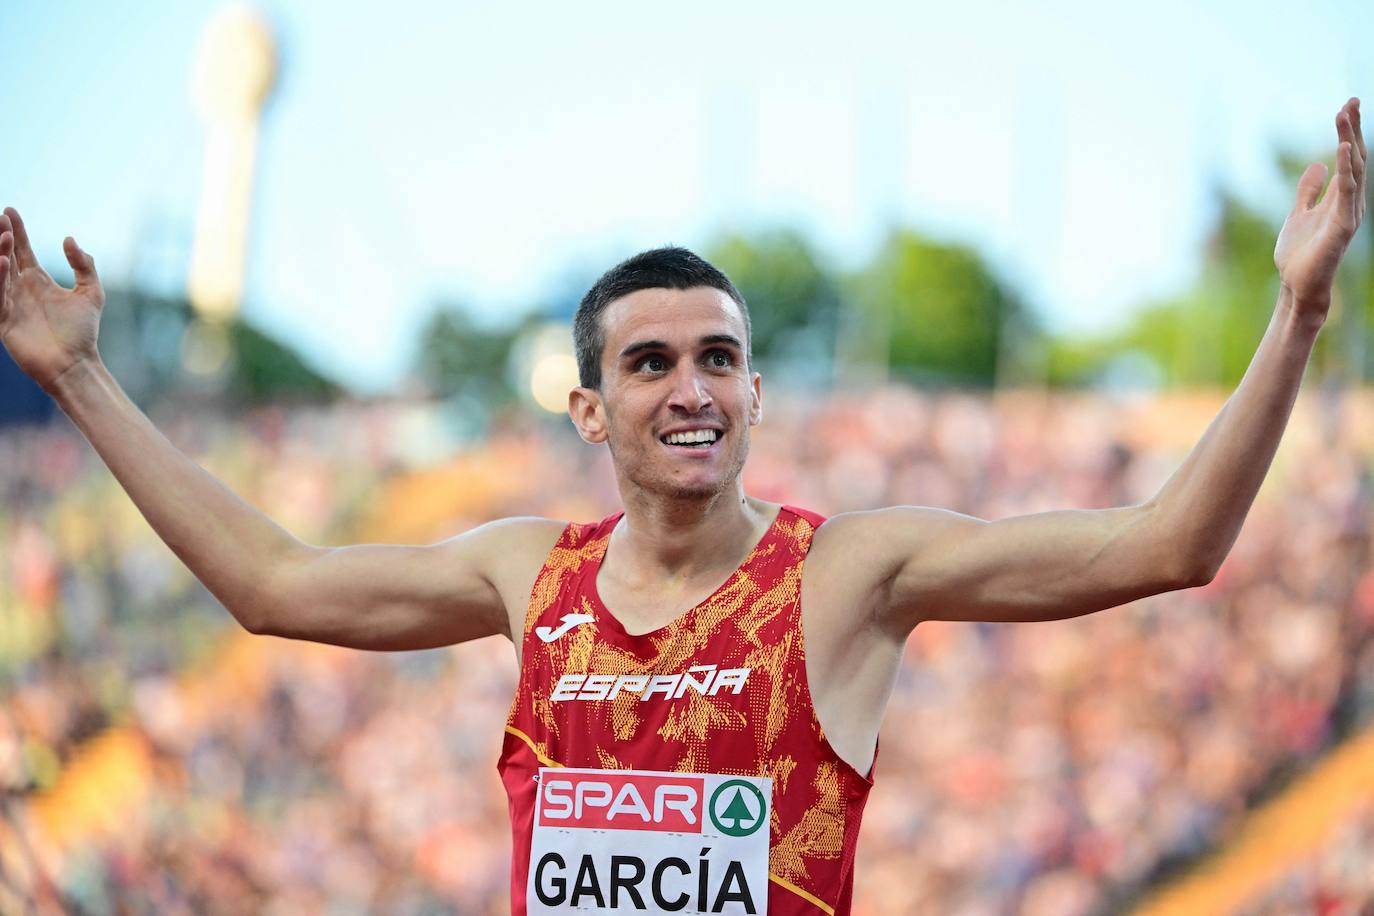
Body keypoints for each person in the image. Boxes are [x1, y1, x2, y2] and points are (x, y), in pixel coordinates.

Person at [0, 98, 1364, 914]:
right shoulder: (525, 574)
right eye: (648, 362)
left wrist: (1295, 311)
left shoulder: (848, 575)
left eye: (718, 357)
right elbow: (275, 587)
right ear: (588, 409)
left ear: (756, 394)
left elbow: (1165, 544)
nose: (690, 386)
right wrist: (79, 381)